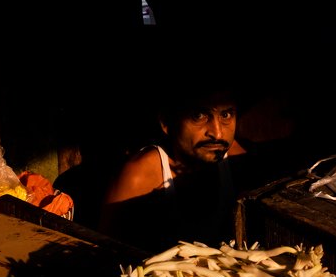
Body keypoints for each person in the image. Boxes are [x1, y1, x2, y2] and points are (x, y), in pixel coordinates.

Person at [97, 81, 247, 253]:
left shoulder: (236, 159)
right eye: (198, 115)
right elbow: (104, 256)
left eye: (226, 115)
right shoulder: (140, 175)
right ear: (167, 122)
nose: (217, 133)